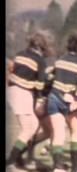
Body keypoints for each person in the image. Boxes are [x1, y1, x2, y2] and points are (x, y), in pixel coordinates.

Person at [6, 32, 52, 171]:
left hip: (13, 90)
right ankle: (10, 162)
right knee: (28, 129)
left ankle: (18, 157)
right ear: (42, 46)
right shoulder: (40, 60)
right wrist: (39, 99)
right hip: (23, 93)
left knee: (33, 125)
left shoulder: (20, 53)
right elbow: (40, 84)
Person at [46, 33, 77, 172]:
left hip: (53, 97)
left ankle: (58, 167)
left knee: (58, 134)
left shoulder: (60, 59)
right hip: (71, 100)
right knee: (75, 132)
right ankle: (75, 168)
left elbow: (49, 78)